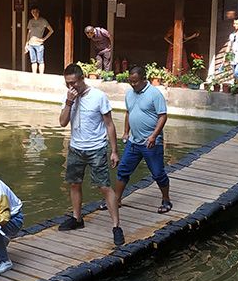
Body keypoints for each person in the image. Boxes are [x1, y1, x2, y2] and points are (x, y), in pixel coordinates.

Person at [58, 63, 123, 245]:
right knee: (74, 184)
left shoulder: (98, 96)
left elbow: (109, 124)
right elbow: (62, 122)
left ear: (82, 79)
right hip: (75, 148)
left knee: (104, 186)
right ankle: (77, 219)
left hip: (96, 148)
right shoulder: (68, 97)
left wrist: (114, 151)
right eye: (67, 83)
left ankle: (116, 226)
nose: (71, 87)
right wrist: (69, 102)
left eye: (74, 83)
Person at [112, 66, 172, 215]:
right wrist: (126, 132)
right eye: (130, 81)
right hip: (134, 141)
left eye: (135, 82)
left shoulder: (154, 94)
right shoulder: (130, 94)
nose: (133, 85)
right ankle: (116, 200)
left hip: (151, 142)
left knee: (158, 173)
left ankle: (166, 199)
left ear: (143, 79)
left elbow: (162, 116)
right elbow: (129, 112)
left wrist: (153, 135)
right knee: (123, 170)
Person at [25, 6, 54, 74]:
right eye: (33, 12)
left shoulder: (43, 21)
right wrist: (26, 43)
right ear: (31, 13)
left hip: (39, 44)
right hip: (31, 44)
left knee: (40, 61)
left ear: (38, 12)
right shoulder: (31, 21)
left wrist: (44, 39)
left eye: (36, 12)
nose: (35, 13)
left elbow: (51, 30)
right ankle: (34, 75)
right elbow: (29, 32)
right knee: (33, 61)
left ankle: (41, 76)